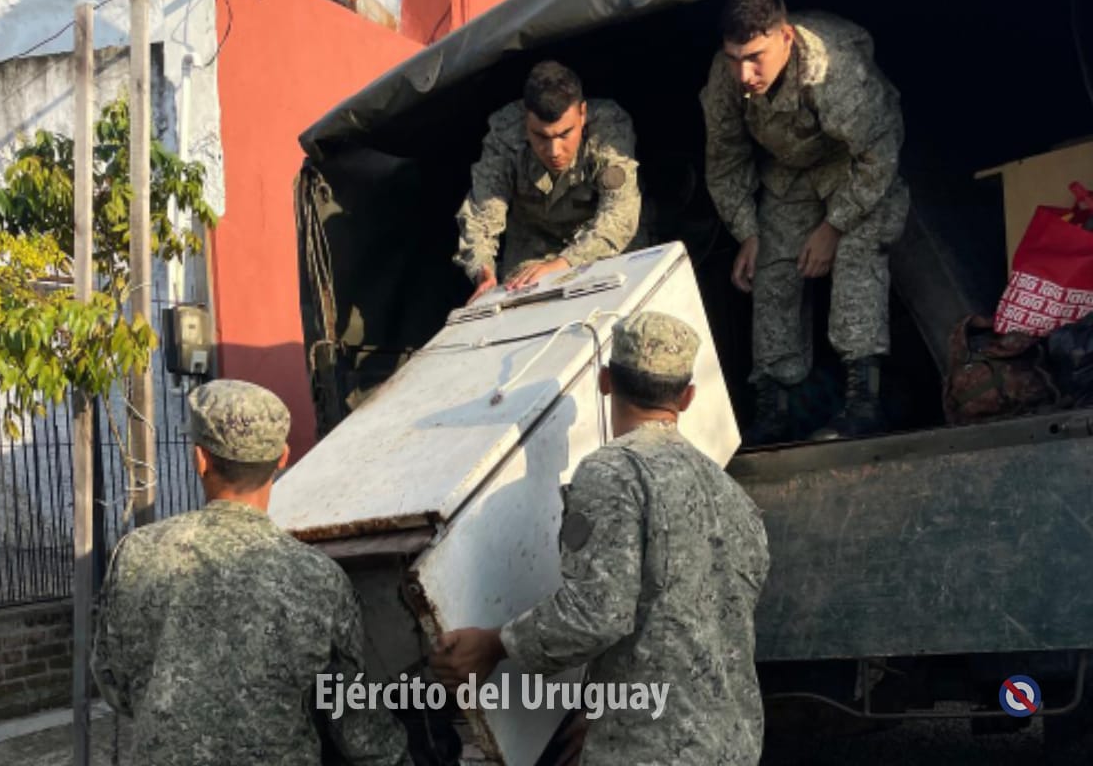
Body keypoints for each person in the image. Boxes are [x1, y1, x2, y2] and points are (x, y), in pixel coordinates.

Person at [429, 312, 770, 765]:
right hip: (732, 745)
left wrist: (494, 644)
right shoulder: (733, 495)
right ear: (687, 397)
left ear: (606, 380)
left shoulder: (613, 471)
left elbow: (598, 614)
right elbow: (691, 623)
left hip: (650, 751)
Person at [92, 379, 409, 766]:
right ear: (283, 457)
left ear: (200, 459)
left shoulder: (136, 553)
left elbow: (112, 681)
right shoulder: (320, 577)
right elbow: (356, 722)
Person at [700, 0, 910, 443]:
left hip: (854, 165)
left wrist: (833, 228)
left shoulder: (832, 66)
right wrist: (747, 232)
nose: (744, 73)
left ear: (786, 36)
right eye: (734, 58)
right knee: (771, 271)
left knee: (857, 254)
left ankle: (864, 403)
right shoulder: (726, 77)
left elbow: (879, 154)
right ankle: (775, 411)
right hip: (791, 170)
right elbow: (725, 159)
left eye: (755, 57)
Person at [455, 60, 643, 303]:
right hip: (534, 246)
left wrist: (564, 263)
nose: (554, 151)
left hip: (602, 241)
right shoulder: (505, 133)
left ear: (583, 113)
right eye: (540, 136)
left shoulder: (608, 127)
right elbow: (482, 212)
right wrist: (483, 270)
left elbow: (620, 215)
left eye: (565, 134)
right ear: (526, 120)